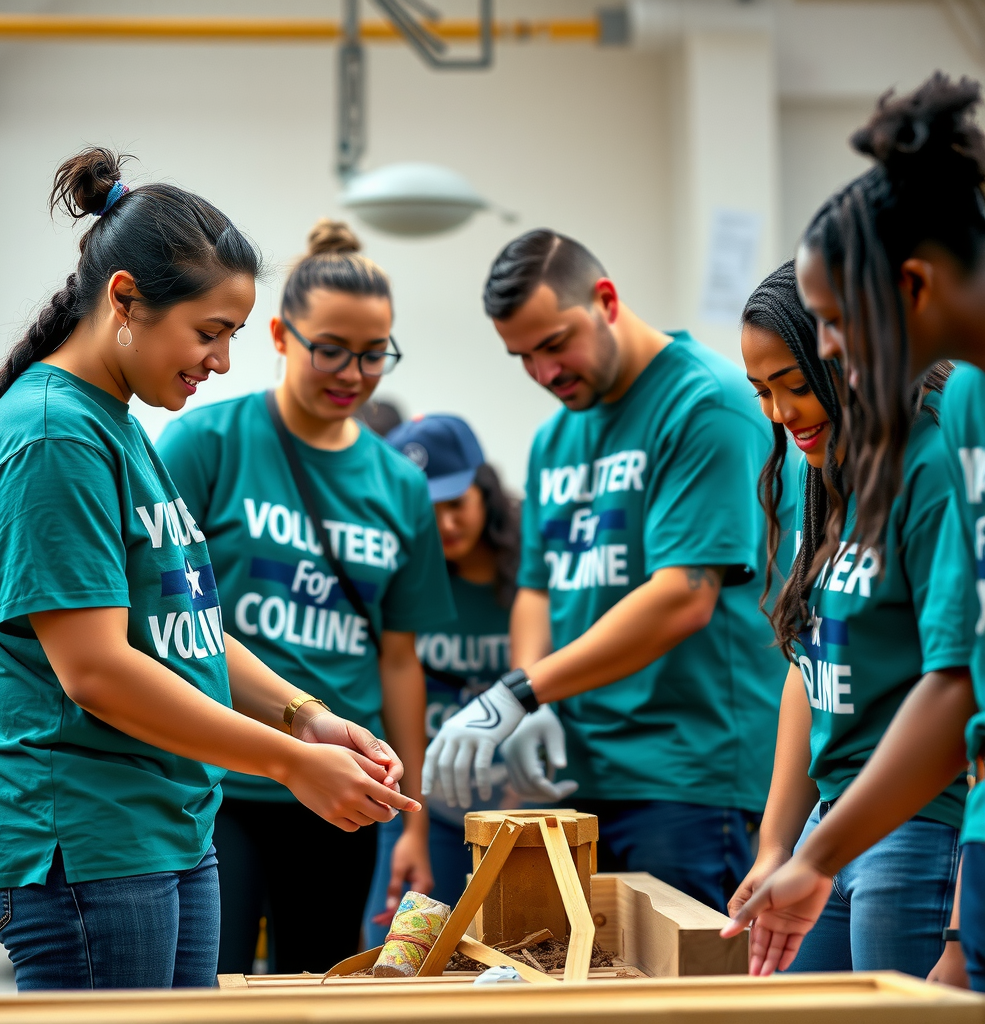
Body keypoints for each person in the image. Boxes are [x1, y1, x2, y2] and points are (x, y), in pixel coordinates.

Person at [0, 151, 418, 991]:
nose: (221, 361)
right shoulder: (56, 434)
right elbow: (96, 671)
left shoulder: (115, 422)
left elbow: (188, 631)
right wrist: (283, 762)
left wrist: (304, 717)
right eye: (208, 333)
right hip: (87, 834)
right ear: (124, 299)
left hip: (163, 824)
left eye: (232, 335)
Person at [423, 230, 792, 911]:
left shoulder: (704, 404)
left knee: (684, 1011)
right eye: (522, 356)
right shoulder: (557, 434)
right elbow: (537, 586)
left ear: (606, 299)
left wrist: (520, 693)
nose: (543, 371)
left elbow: (684, 596)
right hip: (579, 777)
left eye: (556, 342)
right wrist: (534, 697)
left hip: (686, 775)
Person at [723, 74, 985, 988]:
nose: (826, 360)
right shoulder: (824, 473)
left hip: (920, 824)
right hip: (848, 819)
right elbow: (812, 664)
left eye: (829, 333)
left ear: (905, 288)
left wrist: (956, 923)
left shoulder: (938, 444)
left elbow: (957, 687)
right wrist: (784, 843)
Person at [156, 219, 453, 974]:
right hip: (218, 780)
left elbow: (399, 662)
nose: (353, 373)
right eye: (332, 349)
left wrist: (411, 820)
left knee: (322, 984)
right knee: (207, 982)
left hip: (342, 796)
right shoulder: (206, 444)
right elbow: (159, 620)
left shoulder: (402, 486)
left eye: (374, 353)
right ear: (284, 335)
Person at [363, 414, 529, 943]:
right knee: (395, 954)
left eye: (456, 505)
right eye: (427, 512)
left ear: (484, 493)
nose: (445, 525)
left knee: (513, 955)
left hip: (515, 805)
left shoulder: (529, 583)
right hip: (421, 808)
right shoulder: (394, 587)